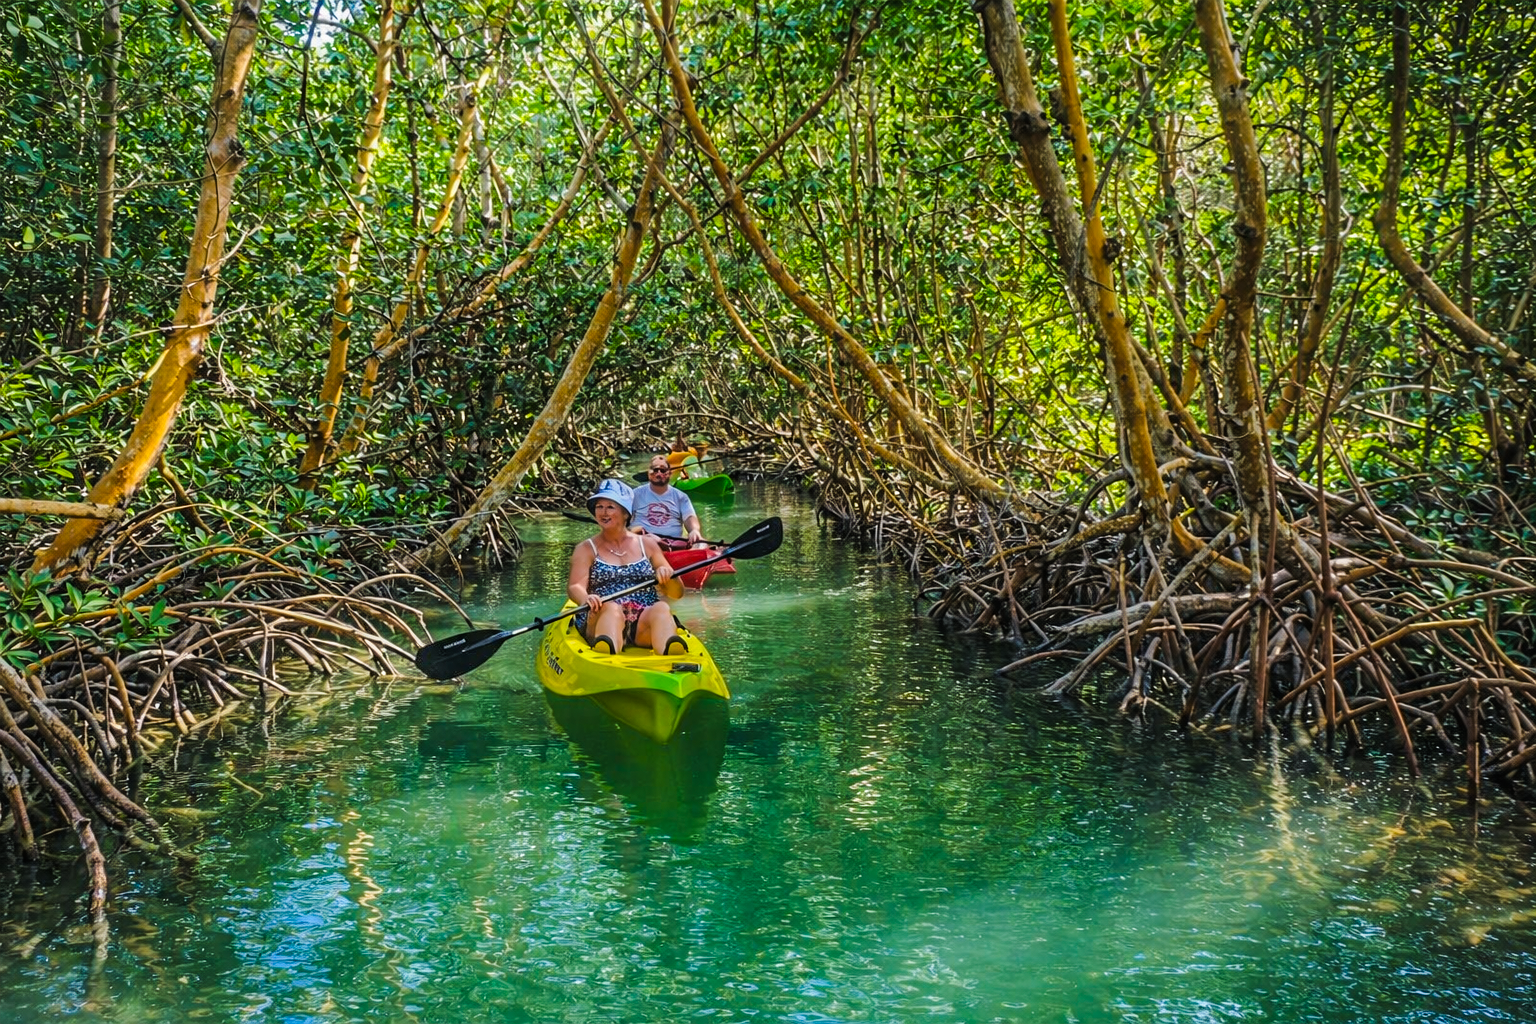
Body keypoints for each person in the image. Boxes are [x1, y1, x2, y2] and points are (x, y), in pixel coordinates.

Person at [567, 479, 686, 656]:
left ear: (625, 513)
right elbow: (575, 586)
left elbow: (677, 593)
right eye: (599, 507)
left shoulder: (648, 545)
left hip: (642, 624)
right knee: (611, 608)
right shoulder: (585, 549)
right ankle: (607, 651)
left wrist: (668, 576)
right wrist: (586, 598)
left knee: (661, 607)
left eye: (610, 507)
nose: (603, 512)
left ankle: (670, 654)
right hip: (602, 618)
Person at [631, 455, 705, 548]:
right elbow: (622, 517)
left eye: (662, 470)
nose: (658, 473)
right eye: (655, 469)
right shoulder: (635, 494)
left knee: (702, 544)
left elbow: (689, 516)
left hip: (672, 544)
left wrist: (694, 530)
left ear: (669, 473)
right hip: (642, 542)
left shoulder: (681, 497)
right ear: (649, 473)